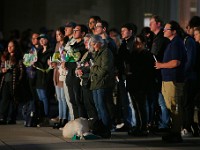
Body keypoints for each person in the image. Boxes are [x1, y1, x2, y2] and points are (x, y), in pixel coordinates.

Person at [155, 21, 187, 142]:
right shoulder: (172, 43)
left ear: (173, 31)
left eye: (166, 29)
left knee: (174, 107)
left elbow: (176, 62)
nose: (163, 31)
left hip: (173, 79)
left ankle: (176, 133)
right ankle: (173, 131)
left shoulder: (176, 43)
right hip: (169, 79)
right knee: (171, 107)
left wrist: (161, 65)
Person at [149, 15, 170, 131]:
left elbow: (155, 54)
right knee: (159, 100)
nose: (150, 25)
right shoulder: (156, 37)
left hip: (160, 73)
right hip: (158, 72)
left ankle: (164, 124)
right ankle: (162, 122)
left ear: (158, 24)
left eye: (152, 22)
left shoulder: (160, 38)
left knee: (162, 101)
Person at [0, 40, 23, 125]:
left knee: (14, 100)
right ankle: (3, 117)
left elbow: (21, 71)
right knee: (4, 100)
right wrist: (2, 70)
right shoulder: (5, 57)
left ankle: (12, 118)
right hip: (5, 81)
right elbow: (1, 68)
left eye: (12, 46)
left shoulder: (19, 58)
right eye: (8, 46)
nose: (9, 48)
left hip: (14, 82)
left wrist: (18, 82)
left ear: (15, 47)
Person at [33, 34, 54, 126]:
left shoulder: (51, 51)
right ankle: (41, 117)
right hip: (39, 77)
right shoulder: (39, 51)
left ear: (48, 40)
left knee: (45, 98)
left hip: (46, 77)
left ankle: (46, 117)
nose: (41, 40)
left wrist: (37, 64)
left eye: (43, 39)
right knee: (40, 98)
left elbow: (48, 66)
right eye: (40, 39)